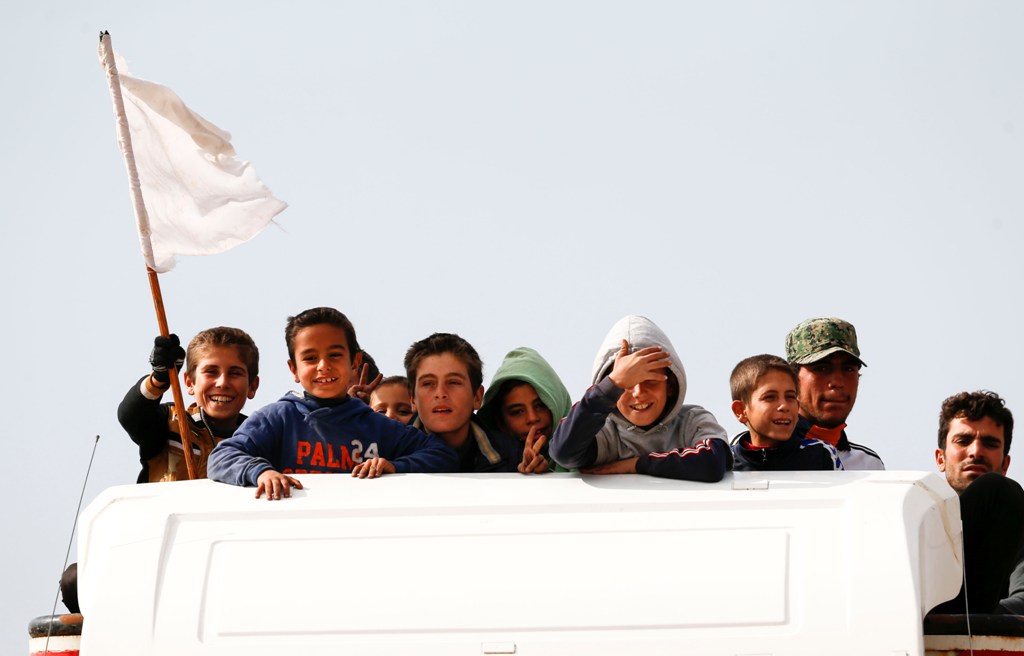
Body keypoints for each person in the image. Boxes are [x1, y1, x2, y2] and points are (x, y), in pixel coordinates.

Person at [207, 307, 458, 499]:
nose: (323, 366)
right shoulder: (279, 418)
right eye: (310, 357)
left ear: (355, 361)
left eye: (335, 355)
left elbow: (443, 455)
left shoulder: (378, 426)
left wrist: (395, 465)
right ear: (294, 369)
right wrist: (261, 472)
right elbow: (221, 457)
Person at [549, 315, 730, 481]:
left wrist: (635, 464)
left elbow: (713, 461)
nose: (638, 393)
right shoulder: (604, 434)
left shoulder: (692, 421)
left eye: (650, 381)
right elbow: (563, 452)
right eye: (625, 385)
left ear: (671, 386)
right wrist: (612, 384)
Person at [118, 327, 261, 483]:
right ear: (189, 383)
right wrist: (158, 379)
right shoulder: (171, 422)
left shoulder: (264, 438)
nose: (222, 383)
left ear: (252, 386)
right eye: (211, 371)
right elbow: (131, 416)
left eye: (235, 373)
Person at [931, 390, 1024, 615]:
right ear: (940, 458)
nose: (975, 452)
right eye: (963, 441)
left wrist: (977, 617)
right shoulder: (920, 521)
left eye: (990, 444)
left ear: (1005, 464)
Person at [404, 332, 522, 472]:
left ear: (477, 397)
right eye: (428, 383)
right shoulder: (386, 450)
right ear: (412, 398)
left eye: (453, 382)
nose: (441, 394)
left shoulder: (514, 458)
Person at [785, 316, 884, 470]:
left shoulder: (869, 466)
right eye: (821, 368)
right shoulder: (749, 455)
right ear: (792, 378)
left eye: (848, 369)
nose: (837, 382)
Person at [728, 354, 842, 471]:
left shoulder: (821, 454)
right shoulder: (725, 461)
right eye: (770, 397)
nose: (784, 406)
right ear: (740, 411)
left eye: (790, 396)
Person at [478, 347, 573, 474]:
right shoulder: (485, 471)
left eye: (540, 405)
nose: (532, 418)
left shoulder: (596, 444)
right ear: (501, 423)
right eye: (517, 412)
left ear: (557, 401)